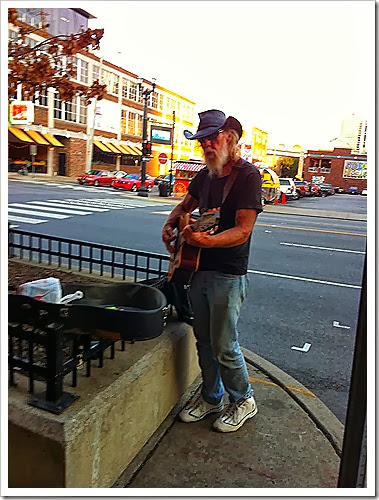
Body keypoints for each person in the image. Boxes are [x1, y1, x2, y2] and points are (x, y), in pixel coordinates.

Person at [161, 109, 263, 432]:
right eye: (202, 140)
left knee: (224, 344)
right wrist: (170, 223)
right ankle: (211, 396)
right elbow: (184, 207)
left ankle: (244, 399)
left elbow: (243, 230)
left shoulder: (248, 177)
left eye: (212, 138)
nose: (206, 145)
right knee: (203, 341)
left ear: (229, 138)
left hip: (229, 274)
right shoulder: (204, 177)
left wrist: (206, 241)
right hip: (198, 270)